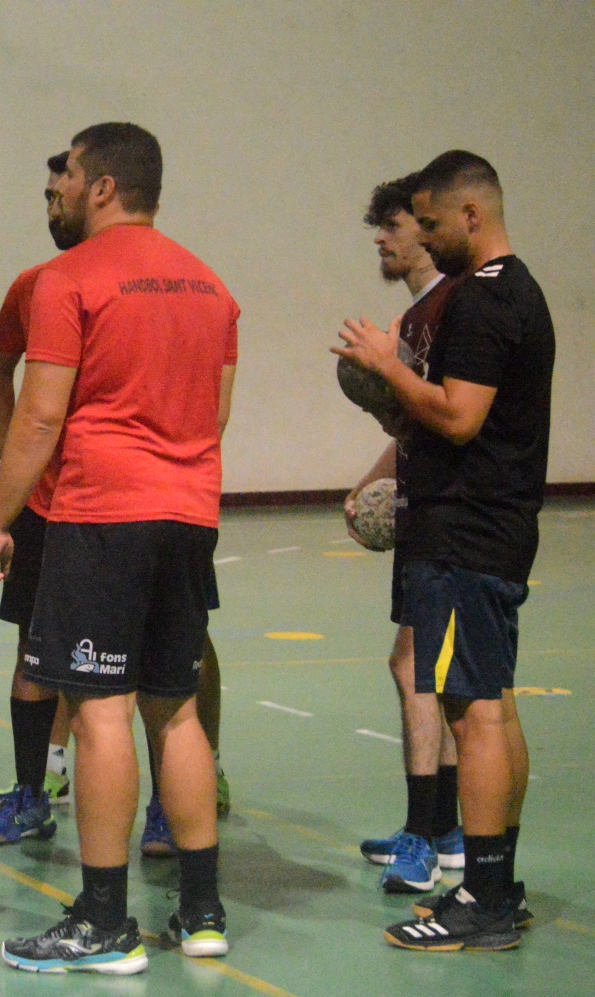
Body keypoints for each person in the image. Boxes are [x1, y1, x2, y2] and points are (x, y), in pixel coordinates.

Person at [0, 123, 238, 973]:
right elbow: (217, 412)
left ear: (102, 186)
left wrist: (0, 519)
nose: (65, 185)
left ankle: (103, 920)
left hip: (101, 515)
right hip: (189, 511)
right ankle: (201, 912)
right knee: (178, 707)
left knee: (98, 711)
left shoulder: (69, 278)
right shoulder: (212, 287)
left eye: (73, 173)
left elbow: (42, 416)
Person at [335, 151, 552, 952]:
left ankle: (484, 897)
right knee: (491, 703)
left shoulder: (488, 301)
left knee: (477, 713)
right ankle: (499, 881)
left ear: (471, 214)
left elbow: (459, 417)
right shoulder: (505, 294)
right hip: (481, 532)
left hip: (466, 535)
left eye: (430, 222)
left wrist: (390, 368)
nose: (422, 235)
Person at [346, 175, 465, 893]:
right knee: (427, 669)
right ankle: (441, 826)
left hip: (455, 521)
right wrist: (374, 478)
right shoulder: (419, 315)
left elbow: (452, 413)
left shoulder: (449, 309)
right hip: (427, 508)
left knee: (420, 669)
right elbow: (419, 419)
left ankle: (428, 836)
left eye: (393, 225)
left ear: (427, 227)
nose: (383, 240)